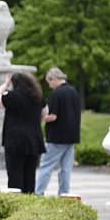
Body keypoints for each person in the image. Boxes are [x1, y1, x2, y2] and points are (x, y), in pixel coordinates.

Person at [0, 71, 45, 194]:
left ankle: (16, 201)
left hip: (15, 141)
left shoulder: (13, 96)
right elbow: (44, 114)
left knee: (15, 174)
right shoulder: (38, 97)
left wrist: (5, 84)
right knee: (30, 175)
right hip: (34, 140)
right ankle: (29, 201)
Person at [35, 67, 82, 196]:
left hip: (56, 137)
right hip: (72, 136)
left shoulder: (57, 94)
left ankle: (38, 193)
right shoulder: (73, 92)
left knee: (46, 166)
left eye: (49, 82)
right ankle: (64, 194)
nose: (50, 86)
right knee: (66, 169)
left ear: (54, 79)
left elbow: (53, 116)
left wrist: (40, 118)